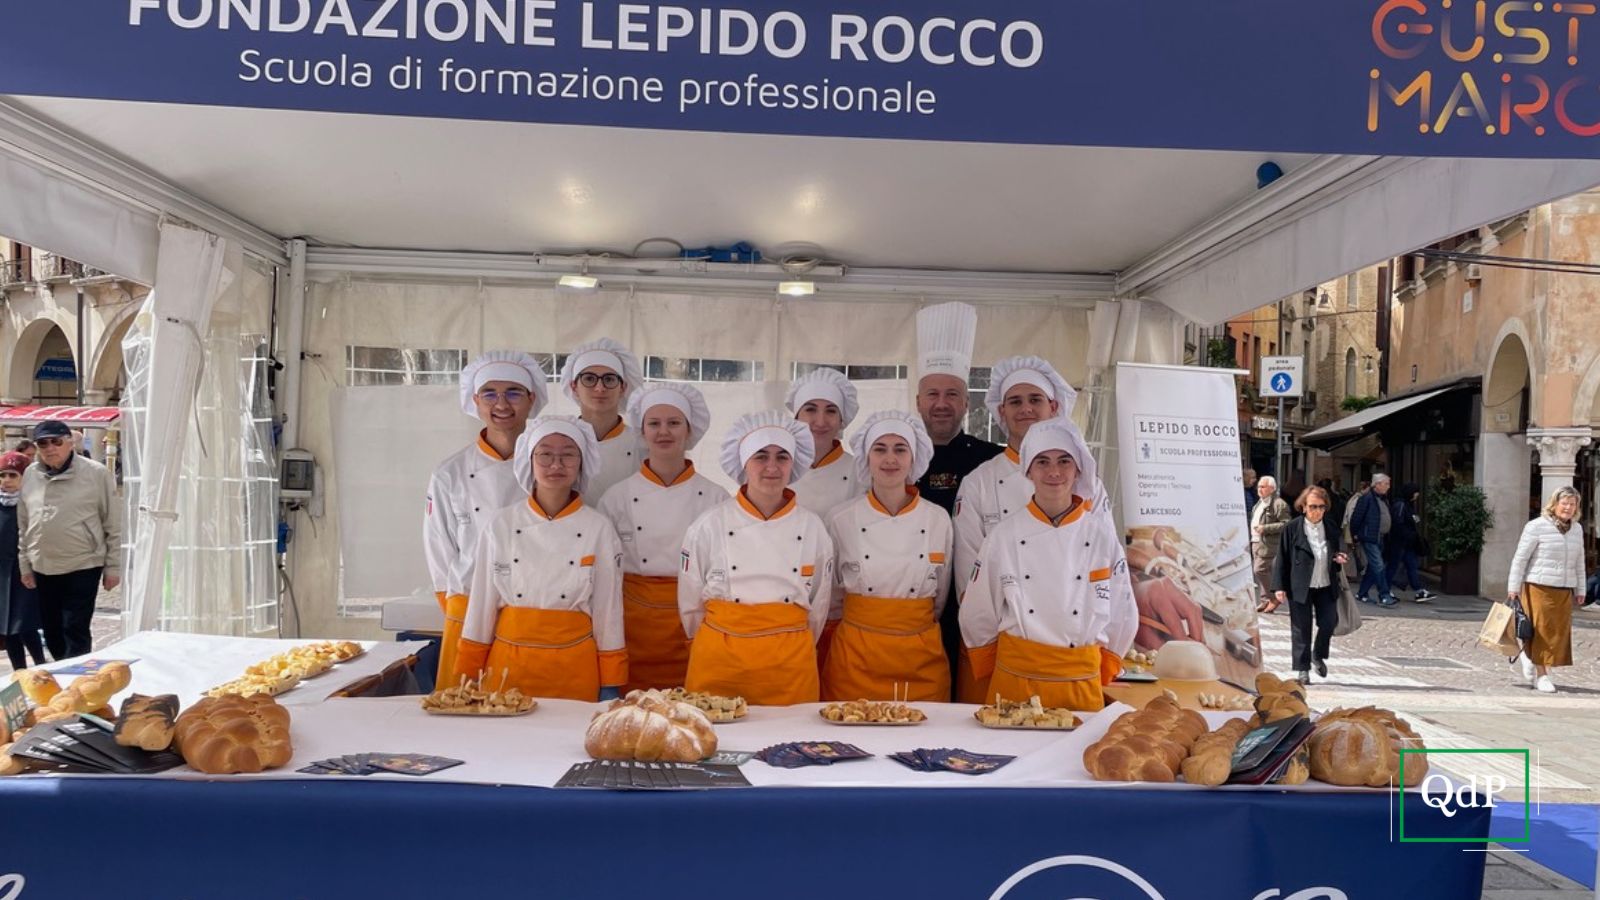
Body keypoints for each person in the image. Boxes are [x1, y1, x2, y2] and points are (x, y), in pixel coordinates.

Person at [959, 417, 1136, 710]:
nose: (1054, 471)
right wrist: (997, 663)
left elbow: (1123, 607)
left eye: (1064, 461)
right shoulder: (1004, 535)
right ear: (1028, 470)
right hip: (1016, 680)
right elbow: (978, 610)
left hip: (1080, 681)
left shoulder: (1101, 535)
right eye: (1042, 462)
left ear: (1078, 468)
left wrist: (1106, 664)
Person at [454, 416, 627, 700]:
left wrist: (611, 680)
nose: (556, 465)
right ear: (529, 461)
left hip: (574, 664)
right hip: (510, 663)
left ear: (582, 463)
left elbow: (608, 611)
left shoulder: (599, 527)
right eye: (545, 454)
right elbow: (481, 603)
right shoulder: (502, 524)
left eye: (568, 455)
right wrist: (468, 670)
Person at [952, 355, 1087, 701]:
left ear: (1053, 406)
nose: (1025, 409)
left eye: (1035, 400)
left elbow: (1092, 566)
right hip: (998, 644)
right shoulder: (979, 482)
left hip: (1064, 649)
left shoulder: (1084, 482)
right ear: (1001, 413)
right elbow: (969, 574)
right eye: (1015, 401)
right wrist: (991, 645)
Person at [679, 410, 835, 706]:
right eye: (761, 456)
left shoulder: (813, 527)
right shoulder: (708, 524)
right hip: (719, 662)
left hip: (790, 666)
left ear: (794, 463)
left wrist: (791, 639)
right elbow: (690, 604)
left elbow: (819, 605)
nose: (772, 467)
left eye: (781, 457)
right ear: (743, 463)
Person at [424, 351, 547, 688]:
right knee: (460, 712)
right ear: (475, 400)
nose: (502, 403)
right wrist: (454, 605)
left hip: (528, 610)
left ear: (531, 399)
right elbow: (439, 547)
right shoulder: (450, 472)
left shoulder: (551, 467)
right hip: (465, 603)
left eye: (513, 392)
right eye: (490, 393)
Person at [598, 382, 726, 693]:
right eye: (654, 424)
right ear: (642, 432)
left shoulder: (716, 498)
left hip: (691, 618)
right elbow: (605, 576)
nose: (663, 432)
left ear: (689, 430)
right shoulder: (616, 498)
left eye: (673, 423)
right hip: (633, 621)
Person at [821, 410, 952, 703]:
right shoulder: (841, 518)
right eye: (880, 449)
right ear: (867, 458)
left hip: (921, 655)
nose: (890, 459)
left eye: (900, 449)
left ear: (914, 457)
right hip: (856, 656)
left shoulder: (937, 518)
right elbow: (830, 595)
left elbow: (940, 594)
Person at [911, 302, 1002, 698]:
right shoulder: (895, 457)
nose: (942, 403)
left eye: (952, 394)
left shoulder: (991, 459)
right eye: (933, 393)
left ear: (967, 403)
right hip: (914, 605)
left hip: (976, 604)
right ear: (918, 402)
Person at [16, 420, 121, 660]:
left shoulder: (96, 473)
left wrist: (113, 567)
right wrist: (25, 564)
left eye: (56, 441)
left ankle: (77, 682)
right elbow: (24, 522)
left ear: (70, 443)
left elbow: (112, 522)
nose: (50, 447)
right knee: (52, 630)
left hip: (83, 562)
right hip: (43, 564)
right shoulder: (31, 473)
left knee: (74, 628)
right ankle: (63, 675)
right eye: (43, 443)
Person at [1507, 487, 1586, 694]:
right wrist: (1513, 587)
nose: (1568, 508)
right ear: (1555, 504)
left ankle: (1528, 658)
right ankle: (1542, 675)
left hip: (1564, 589)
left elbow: (1580, 561)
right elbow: (1520, 558)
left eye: (1572, 504)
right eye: (1565, 503)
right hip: (1538, 586)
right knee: (1542, 632)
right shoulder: (1536, 526)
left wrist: (1581, 588)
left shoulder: (1576, 529)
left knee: (1556, 634)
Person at [1267, 486, 1348, 685]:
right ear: (1303, 507)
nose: (1317, 511)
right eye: (1312, 506)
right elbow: (1282, 559)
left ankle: (1317, 654)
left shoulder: (1330, 527)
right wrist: (1279, 587)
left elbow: (1336, 549)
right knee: (1301, 629)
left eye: (1321, 507)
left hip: (1325, 583)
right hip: (1299, 585)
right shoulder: (1292, 528)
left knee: (1329, 622)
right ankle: (1302, 669)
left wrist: (1338, 557)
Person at [560, 337, 645, 504]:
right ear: (574, 387)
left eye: (609, 379)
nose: (600, 388)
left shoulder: (643, 444)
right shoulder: (558, 442)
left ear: (623, 388)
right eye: (589, 379)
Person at [786, 367, 862, 517]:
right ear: (796, 417)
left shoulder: (860, 472)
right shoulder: (777, 468)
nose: (821, 422)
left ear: (842, 420)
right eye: (810, 410)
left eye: (831, 411)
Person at [0, 451, 46, 670]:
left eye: (13, 475)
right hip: (1, 575)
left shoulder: (33, 503)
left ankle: (40, 666)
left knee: (24, 624)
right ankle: (19, 672)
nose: (6, 481)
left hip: (24, 573)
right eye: (2, 475)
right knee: (7, 627)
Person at [1350, 474, 1396, 606]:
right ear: (1377, 484)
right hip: (1369, 537)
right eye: (1386, 484)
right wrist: (1355, 535)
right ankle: (1384, 594)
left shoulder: (1383, 499)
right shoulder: (1367, 499)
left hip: (1380, 537)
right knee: (1378, 564)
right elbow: (1356, 518)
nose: (1388, 487)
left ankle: (1362, 592)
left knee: (1373, 566)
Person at [1249, 475, 1291, 612]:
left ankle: (1273, 597)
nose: (1259, 489)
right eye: (1259, 486)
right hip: (1256, 541)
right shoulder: (1260, 502)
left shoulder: (1279, 504)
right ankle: (1265, 600)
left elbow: (1286, 524)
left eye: (1263, 487)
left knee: (1259, 570)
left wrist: (1265, 528)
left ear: (1272, 489)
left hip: (1269, 544)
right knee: (1263, 571)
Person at [1386, 482, 1434, 602]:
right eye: (1415, 492)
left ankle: (1418, 590)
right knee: (1393, 566)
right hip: (1400, 542)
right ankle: (1385, 590)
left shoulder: (1409, 505)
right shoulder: (1401, 505)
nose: (1417, 495)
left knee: (1412, 566)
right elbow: (1398, 524)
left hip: (1408, 543)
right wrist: (1407, 535)